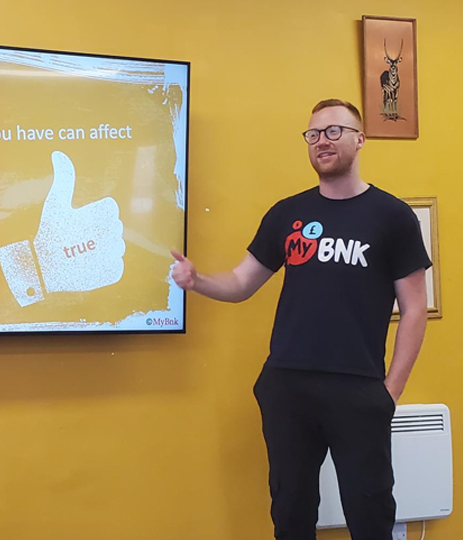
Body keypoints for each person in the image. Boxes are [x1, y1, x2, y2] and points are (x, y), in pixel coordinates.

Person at [171, 99, 431, 540]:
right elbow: (241, 283)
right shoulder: (287, 214)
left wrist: (391, 391)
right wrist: (198, 282)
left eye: (333, 131)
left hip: (359, 388)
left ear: (359, 139)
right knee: (290, 514)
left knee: (370, 514)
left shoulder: (393, 217)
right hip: (287, 387)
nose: (322, 141)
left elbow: (414, 309)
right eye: (313, 134)